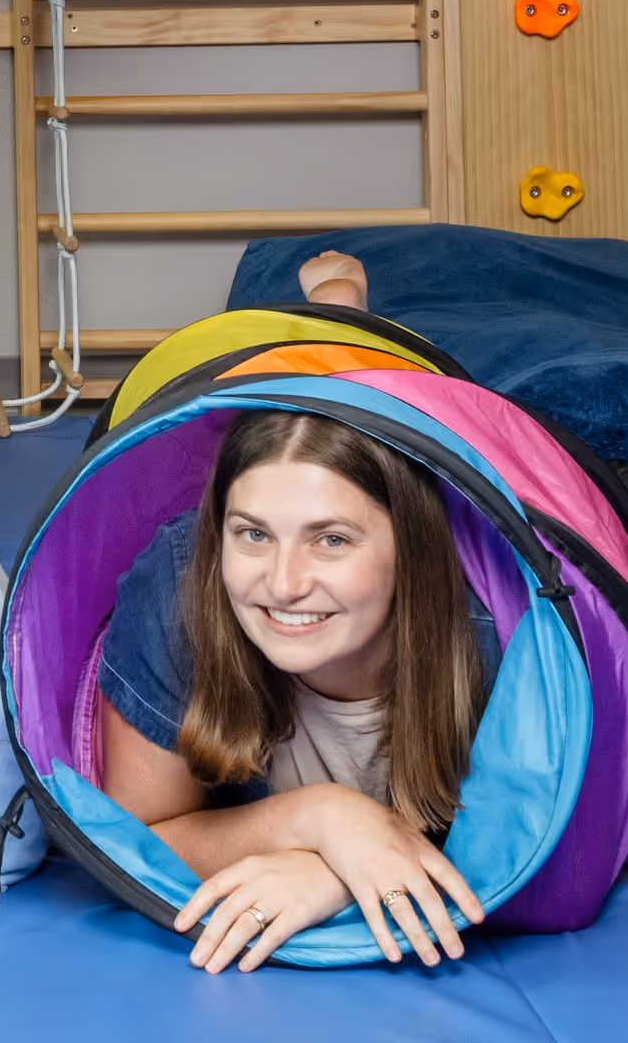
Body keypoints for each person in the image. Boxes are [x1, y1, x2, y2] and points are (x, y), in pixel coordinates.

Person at [98, 408, 495, 975]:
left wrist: (335, 876)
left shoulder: (496, 639)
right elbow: (132, 843)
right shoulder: (180, 588)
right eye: (254, 534)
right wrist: (319, 818)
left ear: (411, 548)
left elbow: (541, 854)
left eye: (331, 540)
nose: (284, 585)